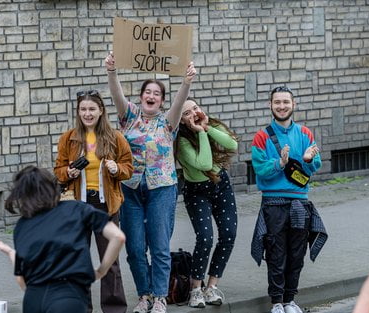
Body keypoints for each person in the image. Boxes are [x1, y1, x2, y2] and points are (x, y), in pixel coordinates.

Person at [104, 52, 197, 313]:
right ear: (142, 96)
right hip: (130, 188)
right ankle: (143, 295)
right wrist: (112, 71)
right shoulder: (129, 116)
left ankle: (159, 297)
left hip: (162, 189)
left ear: (161, 100)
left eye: (157, 93)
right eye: (148, 92)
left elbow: (180, 102)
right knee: (134, 248)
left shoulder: (168, 122)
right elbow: (116, 95)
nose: (152, 96)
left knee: (159, 246)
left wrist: (187, 81)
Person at [0, 165, 125, 313]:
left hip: (33, 300)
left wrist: (12, 254)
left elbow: (23, 282)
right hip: (68, 297)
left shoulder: (21, 226)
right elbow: (118, 236)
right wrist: (101, 270)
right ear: (52, 187)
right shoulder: (75, 209)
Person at [53, 89, 133, 313]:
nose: (87, 114)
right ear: (78, 112)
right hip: (77, 207)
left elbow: (128, 167)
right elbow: (58, 169)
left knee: (110, 262)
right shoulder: (68, 138)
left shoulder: (114, 137)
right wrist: (68, 173)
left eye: (91, 109)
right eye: (83, 109)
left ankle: (114, 309)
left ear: (101, 111)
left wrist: (117, 168)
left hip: (105, 206)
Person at [250, 86, 328, 313]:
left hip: (300, 203)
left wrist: (306, 159)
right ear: (270, 105)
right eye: (277, 102)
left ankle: (290, 300)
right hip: (273, 203)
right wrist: (280, 164)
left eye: (286, 102)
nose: (282, 106)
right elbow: (259, 169)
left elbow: (316, 165)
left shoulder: (305, 133)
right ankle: (276, 302)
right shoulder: (261, 136)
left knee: (297, 253)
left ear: (294, 104)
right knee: (276, 253)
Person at [174, 97, 238, 308]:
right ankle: (195, 289)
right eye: (187, 113)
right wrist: (200, 133)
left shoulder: (210, 124)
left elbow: (232, 143)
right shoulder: (182, 140)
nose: (194, 113)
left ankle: (211, 287)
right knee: (205, 238)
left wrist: (207, 128)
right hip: (197, 191)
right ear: (181, 120)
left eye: (195, 108)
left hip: (221, 184)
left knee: (228, 234)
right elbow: (204, 163)